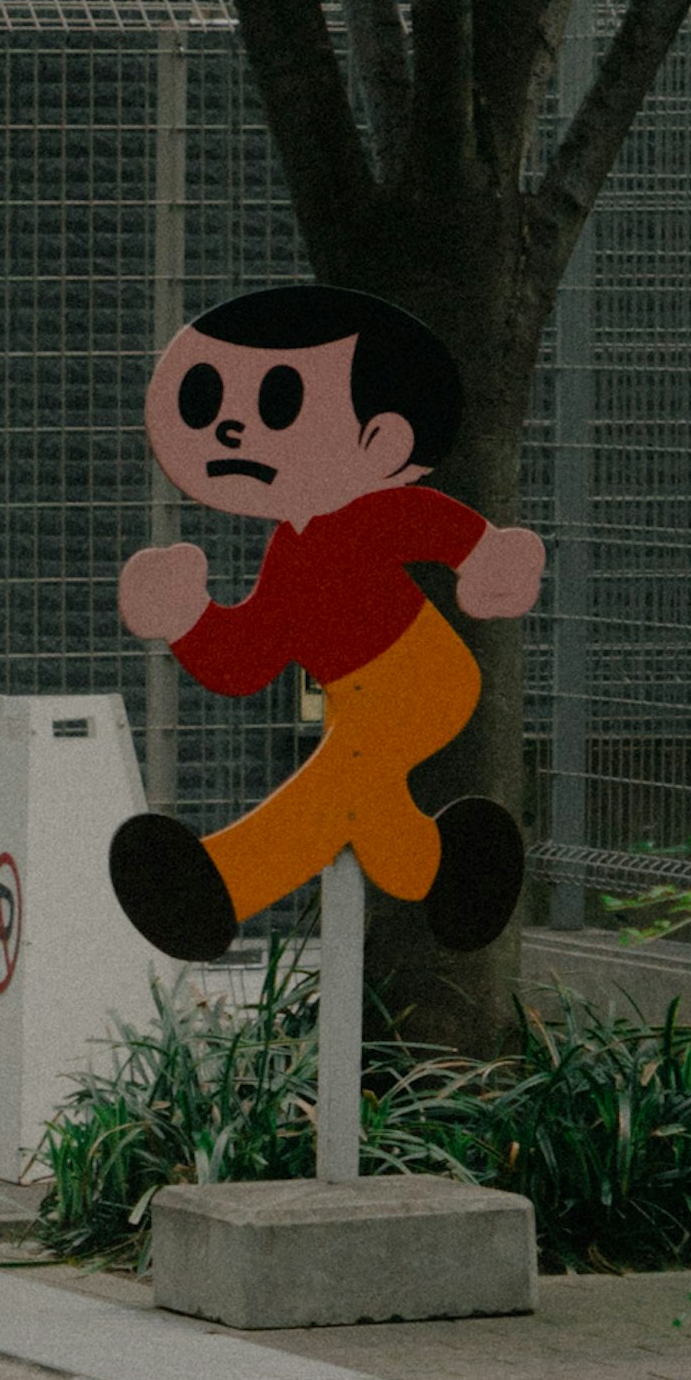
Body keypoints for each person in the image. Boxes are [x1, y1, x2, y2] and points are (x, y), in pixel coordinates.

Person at [107, 282, 542, 958]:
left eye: (280, 401)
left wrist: (490, 558)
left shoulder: (368, 516)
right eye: (205, 398)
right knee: (363, 803)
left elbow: (435, 524)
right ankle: (450, 868)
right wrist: (187, 616)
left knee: (338, 776)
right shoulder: (289, 554)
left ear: (382, 439)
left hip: (426, 679)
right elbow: (247, 657)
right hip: (356, 703)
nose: (230, 427)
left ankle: (222, 883)